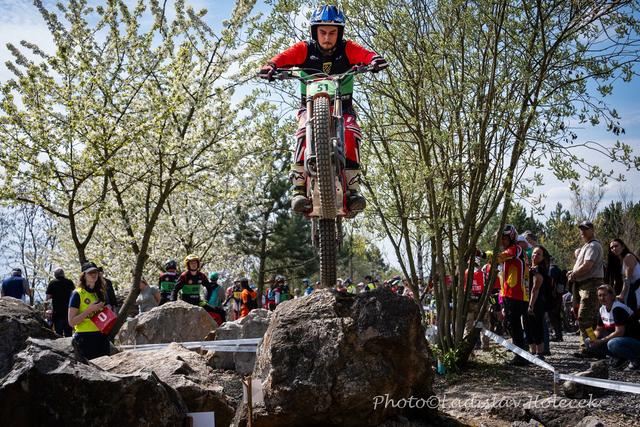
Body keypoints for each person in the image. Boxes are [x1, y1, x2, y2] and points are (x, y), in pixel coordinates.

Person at [258, 4, 388, 214]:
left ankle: (353, 190)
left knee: (351, 131)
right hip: (309, 108)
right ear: (315, 32)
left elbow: (365, 54)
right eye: (323, 32)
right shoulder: (305, 49)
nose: (327, 37)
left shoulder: (347, 49)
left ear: (339, 33)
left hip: (342, 107)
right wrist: (271, 66)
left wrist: (374, 60)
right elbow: (284, 57)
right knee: (302, 132)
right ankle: (299, 189)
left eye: (332, 33)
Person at [479, 224, 529, 365]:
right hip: (509, 294)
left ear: (511, 237)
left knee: (515, 326)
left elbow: (499, 257)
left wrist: (481, 254)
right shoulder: (509, 251)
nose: (502, 241)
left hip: (517, 294)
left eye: (504, 238)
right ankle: (520, 353)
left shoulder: (516, 249)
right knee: (510, 325)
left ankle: (521, 357)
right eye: (500, 239)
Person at [567, 221, 605, 357]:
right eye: (581, 229)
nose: (582, 232)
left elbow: (588, 265)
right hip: (584, 285)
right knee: (590, 320)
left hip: (591, 285)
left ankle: (590, 347)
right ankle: (592, 347)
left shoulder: (593, 245)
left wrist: (573, 275)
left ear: (592, 230)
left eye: (586, 229)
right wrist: (573, 272)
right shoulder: (587, 246)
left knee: (584, 318)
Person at [589, 285, 640, 371]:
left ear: (612, 296)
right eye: (599, 295)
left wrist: (601, 341)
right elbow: (598, 329)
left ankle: (636, 360)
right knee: (588, 341)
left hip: (635, 341)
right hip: (622, 341)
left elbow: (619, 332)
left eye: (604, 295)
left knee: (612, 343)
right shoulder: (602, 309)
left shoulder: (618, 308)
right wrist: (592, 338)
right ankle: (620, 358)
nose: (602, 298)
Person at [68, 262, 110, 360]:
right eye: (90, 272)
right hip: (84, 337)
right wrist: (89, 310)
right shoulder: (77, 294)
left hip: (102, 336)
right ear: (84, 275)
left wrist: (107, 310)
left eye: (95, 272)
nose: (94, 274)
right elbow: (71, 322)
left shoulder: (101, 292)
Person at [526, 246, 551, 359]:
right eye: (534, 253)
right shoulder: (531, 268)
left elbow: (535, 289)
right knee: (529, 326)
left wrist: (531, 305)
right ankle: (533, 352)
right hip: (529, 300)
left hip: (536, 302)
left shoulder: (538, 269)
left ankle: (539, 353)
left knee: (536, 326)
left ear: (543, 257)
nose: (535, 255)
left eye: (538, 254)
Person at [607, 238, 640, 309]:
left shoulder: (628, 257)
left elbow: (627, 279)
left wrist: (622, 294)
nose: (614, 248)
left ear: (623, 247)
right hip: (633, 288)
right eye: (611, 247)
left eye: (616, 246)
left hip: (638, 287)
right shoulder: (620, 261)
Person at [46, 268, 75, 337]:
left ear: (55, 275)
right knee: (68, 334)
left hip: (57, 311)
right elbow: (74, 294)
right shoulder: (69, 282)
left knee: (58, 333)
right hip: (68, 311)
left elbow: (48, 297)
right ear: (63, 274)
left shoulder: (52, 283)